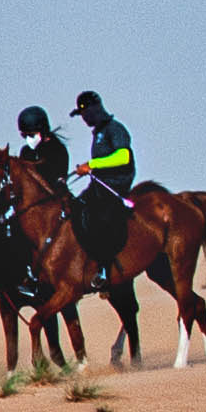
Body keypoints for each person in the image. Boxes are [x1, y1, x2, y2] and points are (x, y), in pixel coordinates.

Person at [67, 90, 137, 284]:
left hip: (116, 185)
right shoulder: (98, 132)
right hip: (99, 185)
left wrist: (92, 165)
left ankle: (105, 268)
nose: (83, 118)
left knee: (99, 220)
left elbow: (123, 157)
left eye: (84, 114)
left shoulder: (115, 129)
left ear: (93, 110)